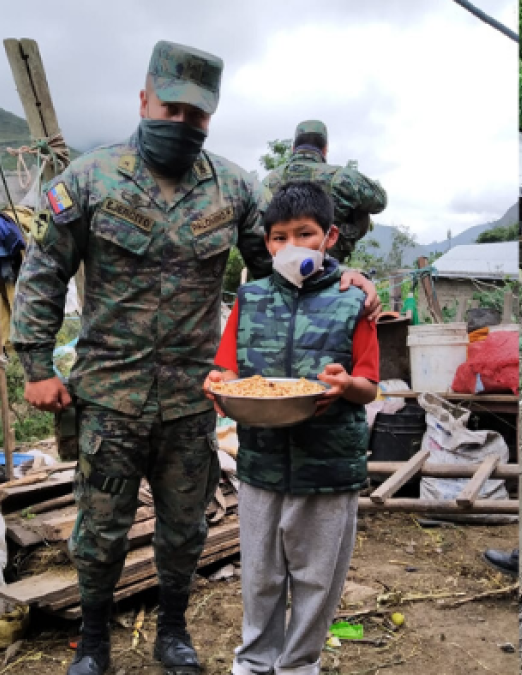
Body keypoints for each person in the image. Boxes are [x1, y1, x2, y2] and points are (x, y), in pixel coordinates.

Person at [10, 42, 378, 675]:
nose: (182, 123)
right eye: (171, 107)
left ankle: (173, 632)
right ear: (144, 100)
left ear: (212, 117)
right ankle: (94, 641)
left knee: (184, 527)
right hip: (109, 395)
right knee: (99, 530)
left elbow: (286, 259)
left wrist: (351, 279)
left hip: (194, 396)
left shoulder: (234, 188)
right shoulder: (89, 180)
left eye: (197, 115)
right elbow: (44, 272)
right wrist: (37, 367)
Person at [203, 180, 378, 675]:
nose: (291, 246)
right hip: (261, 459)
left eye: (305, 233)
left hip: (329, 463)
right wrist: (220, 384)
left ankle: (300, 664)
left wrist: (346, 385)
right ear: (266, 241)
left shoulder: (354, 302)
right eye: (279, 236)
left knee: (317, 577)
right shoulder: (251, 298)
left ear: (330, 236)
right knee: (259, 573)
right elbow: (229, 371)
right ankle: (254, 663)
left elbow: (369, 385)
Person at [260, 120, 387, 261]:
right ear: (325, 149)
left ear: (293, 148)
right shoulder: (342, 177)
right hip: (330, 255)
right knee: (361, 209)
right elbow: (380, 202)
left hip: (280, 259)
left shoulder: (269, 180)